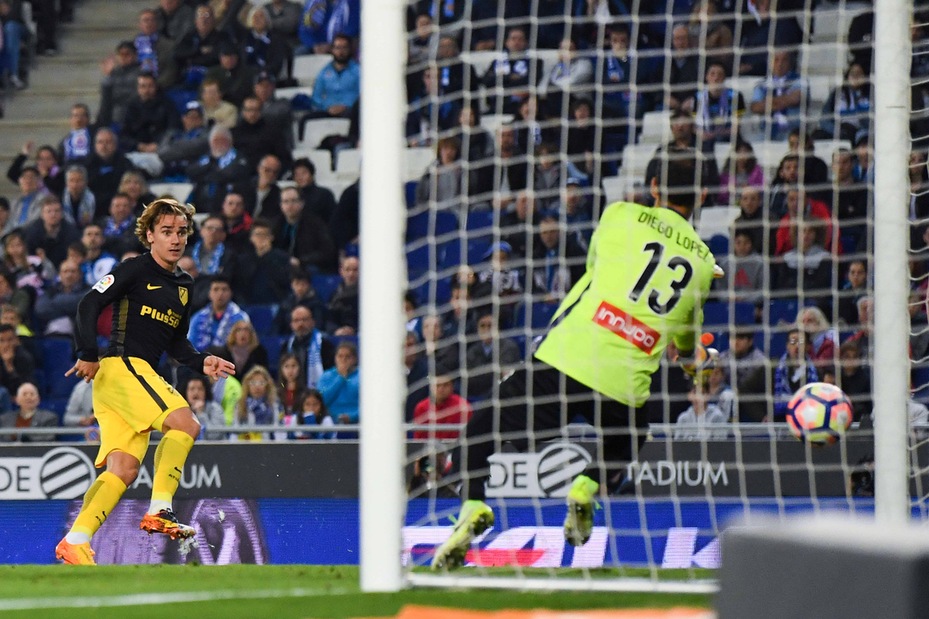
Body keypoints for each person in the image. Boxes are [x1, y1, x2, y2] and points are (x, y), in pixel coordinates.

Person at [431, 148, 721, 570]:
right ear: (702, 196)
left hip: (568, 357)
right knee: (631, 434)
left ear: (654, 186)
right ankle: (586, 486)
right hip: (624, 379)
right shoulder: (702, 263)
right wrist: (699, 363)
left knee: (478, 435)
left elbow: (596, 274)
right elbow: (685, 343)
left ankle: (473, 506)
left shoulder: (618, 214)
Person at [55, 197, 236, 566]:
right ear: (149, 234)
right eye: (166, 231)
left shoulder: (184, 285)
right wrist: (87, 351)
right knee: (187, 423)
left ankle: (76, 540)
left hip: (127, 381)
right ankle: (160, 510)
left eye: (181, 232)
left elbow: (176, 343)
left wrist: (203, 361)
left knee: (123, 469)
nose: (175, 239)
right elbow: (88, 304)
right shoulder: (134, 270)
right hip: (123, 368)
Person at [187, 274, 251, 351]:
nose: (220, 294)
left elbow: (244, 346)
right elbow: (190, 345)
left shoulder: (240, 318)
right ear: (209, 293)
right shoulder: (198, 318)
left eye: (224, 289)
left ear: (231, 293)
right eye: (216, 289)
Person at [281, 304, 334, 389]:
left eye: (304, 320)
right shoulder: (286, 346)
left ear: (312, 322)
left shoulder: (324, 345)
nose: (300, 324)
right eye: (296, 320)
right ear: (291, 325)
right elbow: (281, 378)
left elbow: (331, 374)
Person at [412, 371, 473, 440]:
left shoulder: (462, 406)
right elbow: (419, 439)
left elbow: (468, 435)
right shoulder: (421, 407)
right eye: (437, 385)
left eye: (446, 385)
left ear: (452, 387)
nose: (441, 389)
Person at [234, 365, 281, 441]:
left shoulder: (274, 405)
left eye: (261, 383)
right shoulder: (240, 405)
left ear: (267, 385)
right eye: (253, 382)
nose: (257, 387)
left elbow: (279, 431)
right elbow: (235, 432)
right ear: (247, 384)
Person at [318, 340, 359, 426]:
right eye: (340, 356)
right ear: (335, 358)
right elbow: (321, 400)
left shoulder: (363, 376)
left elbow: (371, 404)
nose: (343, 360)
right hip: (331, 423)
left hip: (359, 424)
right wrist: (341, 378)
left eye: (348, 357)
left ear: (355, 359)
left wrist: (352, 417)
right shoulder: (326, 376)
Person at [183, 374, 227, 440]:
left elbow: (215, 436)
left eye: (200, 389)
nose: (196, 392)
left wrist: (201, 414)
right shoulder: (181, 409)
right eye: (192, 389)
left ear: (206, 391)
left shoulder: (215, 408)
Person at [325, 255, 359, 335]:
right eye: (348, 270)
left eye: (355, 270)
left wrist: (354, 330)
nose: (351, 274)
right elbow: (329, 320)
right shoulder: (335, 295)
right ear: (341, 271)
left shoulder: (367, 296)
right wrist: (336, 330)